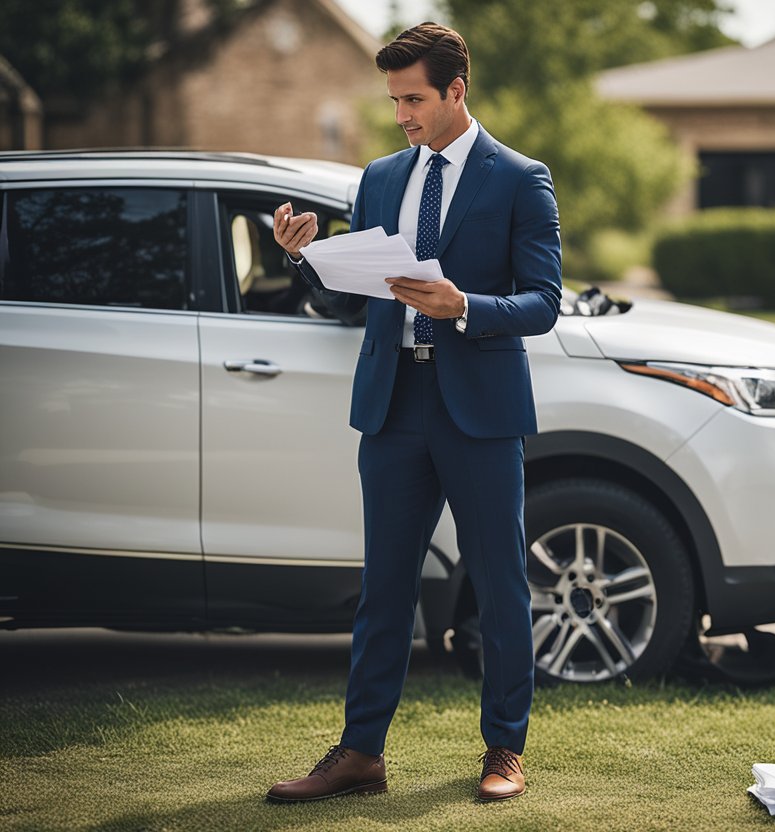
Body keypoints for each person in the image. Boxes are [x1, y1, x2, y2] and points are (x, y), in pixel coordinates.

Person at [265, 22, 561, 804]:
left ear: (457, 90)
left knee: (499, 583)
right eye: (394, 99)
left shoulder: (520, 179)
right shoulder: (380, 176)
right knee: (384, 588)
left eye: (414, 99)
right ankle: (361, 755)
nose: (401, 114)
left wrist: (465, 303)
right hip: (393, 403)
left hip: (481, 408)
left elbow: (544, 304)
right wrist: (305, 256)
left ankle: (504, 752)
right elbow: (351, 293)